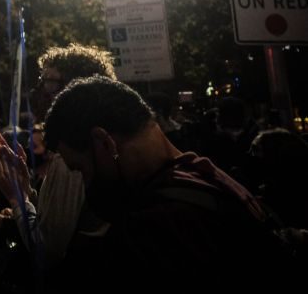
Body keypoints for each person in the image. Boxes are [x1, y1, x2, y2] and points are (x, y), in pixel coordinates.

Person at [43, 76, 293, 291]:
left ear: (104, 142)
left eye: (81, 169)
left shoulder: (152, 230)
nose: (85, 185)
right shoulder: (208, 178)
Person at [0, 44, 115, 273]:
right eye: (42, 81)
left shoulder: (75, 154)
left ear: (76, 88)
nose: (42, 92)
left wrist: (17, 201)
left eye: (50, 82)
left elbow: (49, 250)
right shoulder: (92, 143)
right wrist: (28, 193)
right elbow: (53, 221)